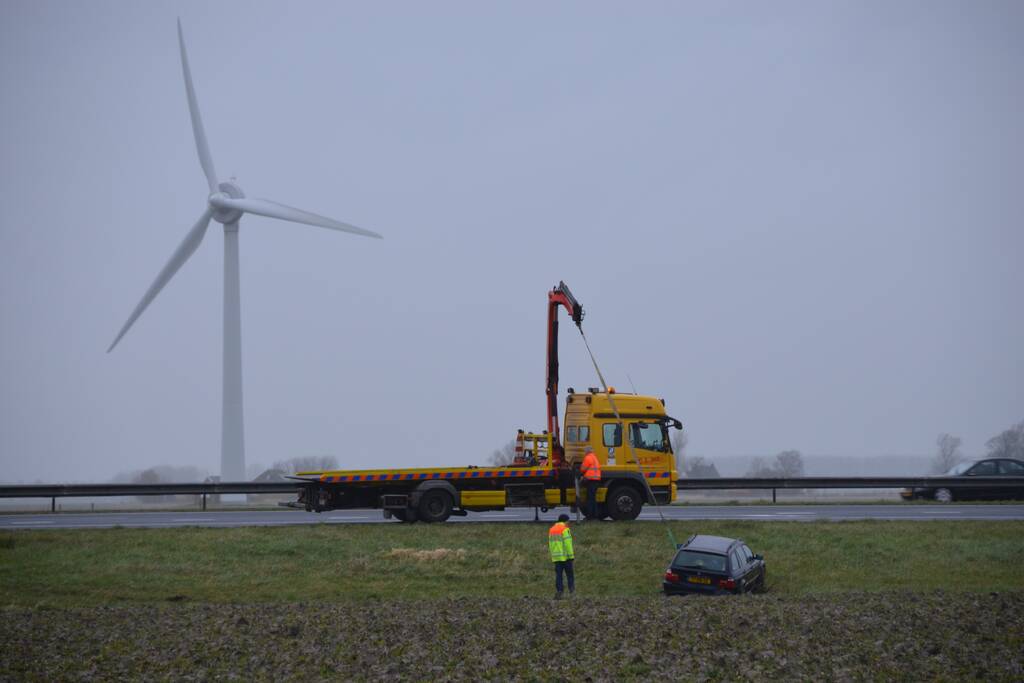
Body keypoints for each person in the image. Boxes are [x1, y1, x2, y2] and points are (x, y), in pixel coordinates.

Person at [548, 513, 575, 599]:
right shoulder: (565, 529)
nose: (569, 523)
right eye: (568, 521)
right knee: (569, 574)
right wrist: (571, 556)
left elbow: (550, 544)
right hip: (566, 557)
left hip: (556, 557)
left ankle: (559, 591)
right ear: (565, 521)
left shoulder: (552, 529)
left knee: (559, 575)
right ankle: (571, 590)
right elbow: (568, 544)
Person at [580, 446, 601, 519]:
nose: (584, 452)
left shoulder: (587, 458)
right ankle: (595, 516)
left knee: (590, 499)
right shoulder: (594, 457)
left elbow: (583, 469)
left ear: (587, 451)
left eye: (585, 451)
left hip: (591, 480)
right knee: (593, 499)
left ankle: (590, 516)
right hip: (596, 480)